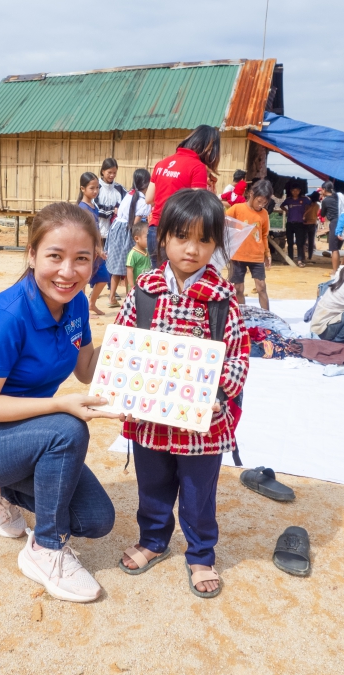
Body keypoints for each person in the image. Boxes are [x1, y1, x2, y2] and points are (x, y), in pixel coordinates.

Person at [0, 202, 117, 603]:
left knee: (96, 519)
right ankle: (45, 549)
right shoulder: (6, 316)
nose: (68, 272)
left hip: (20, 436)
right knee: (67, 430)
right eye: (55, 256)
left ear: (94, 262)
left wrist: (127, 342)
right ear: (32, 255)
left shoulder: (77, 304)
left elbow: (85, 369)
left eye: (81, 259)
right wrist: (60, 405)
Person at [114, 189, 249, 599]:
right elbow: (121, 351)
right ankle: (153, 540)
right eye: (181, 237)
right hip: (151, 423)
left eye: (204, 240)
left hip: (202, 427)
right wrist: (121, 392)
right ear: (163, 238)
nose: (192, 249)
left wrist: (219, 395)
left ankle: (201, 554)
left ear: (217, 244)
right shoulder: (143, 294)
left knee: (197, 493)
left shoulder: (223, 301)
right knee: (151, 486)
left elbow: (239, 360)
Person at [146, 125, 221, 267]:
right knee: (177, 283)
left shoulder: (162, 163)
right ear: (209, 148)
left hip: (154, 230)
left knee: (158, 280)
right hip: (178, 233)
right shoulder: (197, 167)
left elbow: (149, 198)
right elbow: (199, 206)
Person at [106, 169, 151, 306]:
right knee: (128, 267)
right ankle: (129, 298)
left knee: (117, 268)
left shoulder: (129, 194)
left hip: (116, 229)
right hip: (128, 233)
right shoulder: (143, 200)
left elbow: (120, 212)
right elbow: (136, 222)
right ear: (147, 183)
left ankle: (112, 297)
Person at [228, 179, 273, 310]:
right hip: (237, 255)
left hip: (256, 255)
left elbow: (264, 235)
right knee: (238, 288)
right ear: (251, 194)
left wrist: (267, 253)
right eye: (259, 201)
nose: (261, 205)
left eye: (264, 203)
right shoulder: (237, 209)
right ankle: (243, 315)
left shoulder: (264, 214)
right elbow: (224, 223)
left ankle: (267, 316)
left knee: (261, 287)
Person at [77, 172, 108, 315]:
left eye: (97, 188)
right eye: (92, 188)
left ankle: (91, 303)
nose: (95, 191)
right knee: (82, 280)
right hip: (86, 249)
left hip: (95, 249)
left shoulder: (93, 206)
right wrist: (96, 249)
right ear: (83, 189)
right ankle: (81, 309)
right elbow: (85, 233)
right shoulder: (83, 208)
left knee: (103, 277)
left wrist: (99, 247)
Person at [94, 158, 126, 246]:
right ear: (103, 171)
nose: (112, 175)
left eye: (114, 173)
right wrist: (113, 210)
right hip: (97, 234)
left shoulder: (120, 189)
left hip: (114, 235)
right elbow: (95, 209)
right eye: (109, 172)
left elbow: (128, 205)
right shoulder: (96, 188)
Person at [280, 182, 311, 268]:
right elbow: (282, 206)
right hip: (290, 223)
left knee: (299, 243)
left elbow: (311, 206)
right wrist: (287, 211)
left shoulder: (304, 199)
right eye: (293, 191)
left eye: (297, 190)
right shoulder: (289, 200)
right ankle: (290, 259)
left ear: (299, 191)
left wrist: (305, 214)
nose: (295, 192)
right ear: (291, 191)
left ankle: (300, 260)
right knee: (290, 242)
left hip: (300, 223)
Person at [319, 181, 342, 272]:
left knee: (334, 249)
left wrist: (322, 200)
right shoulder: (339, 198)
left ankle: (335, 270)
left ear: (324, 190)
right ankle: (339, 268)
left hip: (335, 222)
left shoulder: (326, 200)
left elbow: (323, 214)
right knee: (338, 247)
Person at [125, 220, 152, 288]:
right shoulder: (133, 254)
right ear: (137, 239)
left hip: (146, 286)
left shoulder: (147, 251)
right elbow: (129, 271)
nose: (150, 239)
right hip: (136, 287)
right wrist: (132, 286)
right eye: (147, 237)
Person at [303, 190, 321, 262]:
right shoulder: (318, 206)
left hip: (306, 223)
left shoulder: (307, 205)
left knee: (303, 241)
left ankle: (303, 256)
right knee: (311, 241)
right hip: (313, 223)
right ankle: (310, 256)